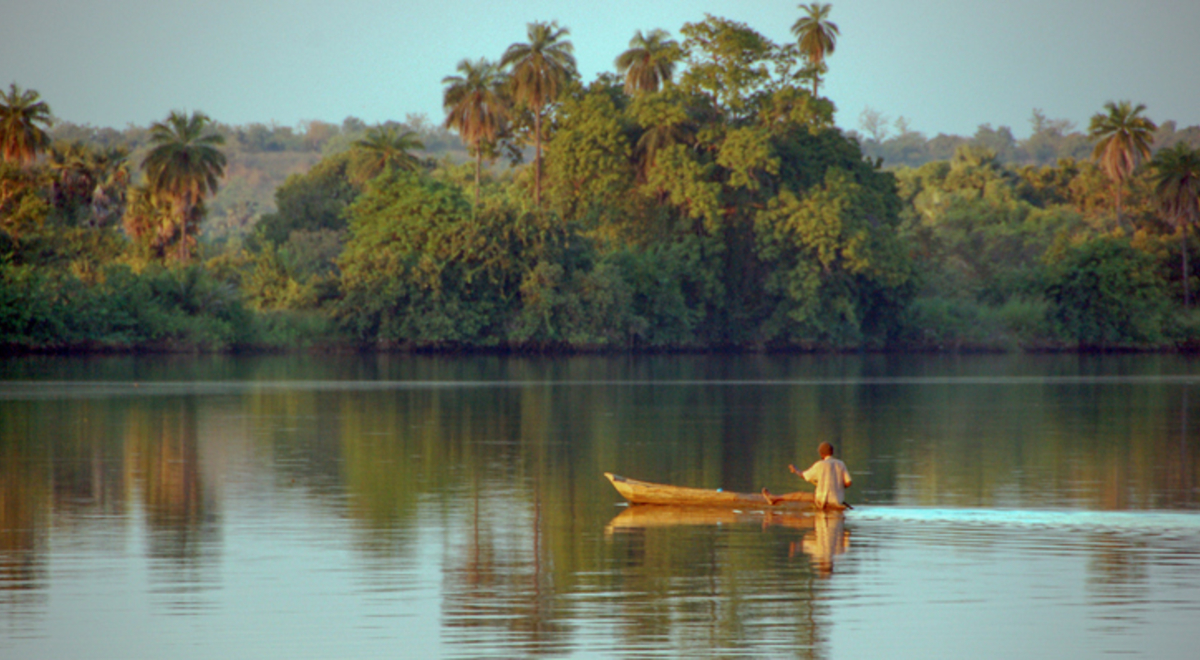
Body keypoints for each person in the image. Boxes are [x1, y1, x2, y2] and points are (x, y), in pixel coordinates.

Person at [762, 441, 852, 509]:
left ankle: (774, 498)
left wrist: (796, 470)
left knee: (799, 495)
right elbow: (848, 483)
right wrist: (838, 486)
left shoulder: (820, 464)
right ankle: (774, 498)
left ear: (821, 454)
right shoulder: (841, 464)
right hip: (838, 501)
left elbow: (805, 476)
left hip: (821, 501)